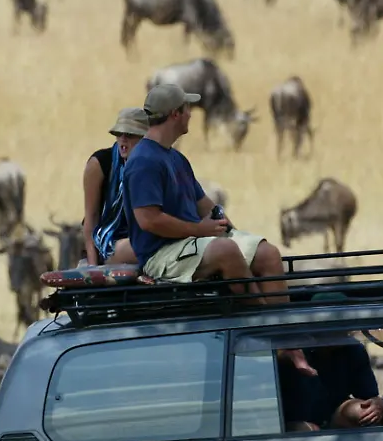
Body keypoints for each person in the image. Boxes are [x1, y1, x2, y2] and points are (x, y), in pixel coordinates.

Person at [122, 82, 315, 375]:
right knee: (226, 251)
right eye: (187, 109)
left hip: (193, 242)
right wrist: (203, 231)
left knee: (267, 253)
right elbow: (149, 220)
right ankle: (274, 340)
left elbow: (203, 203)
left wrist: (227, 226)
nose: (191, 114)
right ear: (175, 114)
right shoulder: (144, 161)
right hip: (162, 253)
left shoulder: (175, 157)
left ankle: (286, 339)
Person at [82, 107, 148, 266]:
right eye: (119, 134)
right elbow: (91, 217)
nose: (123, 139)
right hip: (109, 242)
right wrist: (93, 266)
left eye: (130, 135)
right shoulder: (100, 164)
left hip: (144, 236)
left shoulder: (152, 164)